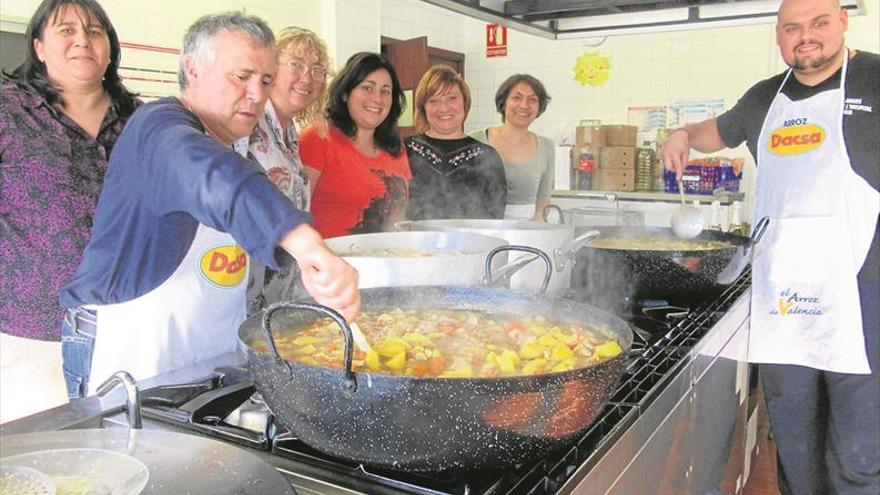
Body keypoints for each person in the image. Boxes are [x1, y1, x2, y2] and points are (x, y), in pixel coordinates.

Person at [59, 12, 359, 398]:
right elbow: (214, 177)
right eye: (241, 77)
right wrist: (305, 244)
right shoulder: (159, 127)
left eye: (265, 81)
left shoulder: (234, 143)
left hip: (198, 356)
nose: (257, 94)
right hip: (128, 351)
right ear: (193, 69)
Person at [661, 0, 879, 493]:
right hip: (783, 294)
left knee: (860, 453)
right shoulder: (763, 98)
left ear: (843, 22)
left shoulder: (876, 79)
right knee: (795, 442)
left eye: (819, 23)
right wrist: (679, 133)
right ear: (778, 36)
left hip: (865, 295)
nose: (806, 36)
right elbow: (709, 133)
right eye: (792, 28)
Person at [0, 0, 139, 422]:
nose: (83, 40)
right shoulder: (9, 111)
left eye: (95, 31)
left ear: (110, 48)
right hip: (31, 328)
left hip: (127, 324)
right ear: (39, 46)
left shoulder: (140, 120)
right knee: (37, 464)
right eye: (66, 30)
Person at [233, 27, 332, 313]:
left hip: (278, 282)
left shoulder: (290, 134)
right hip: (244, 278)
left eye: (317, 70)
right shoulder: (248, 121)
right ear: (272, 68)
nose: (307, 77)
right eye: (296, 65)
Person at [299, 52, 411, 238]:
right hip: (332, 263)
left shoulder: (395, 147)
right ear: (345, 93)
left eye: (385, 91)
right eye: (368, 88)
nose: (377, 99)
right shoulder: (318, 137)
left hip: (387, 261)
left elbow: (400, 219)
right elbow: (296, 213)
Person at [404, 65, 506, 220]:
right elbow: (392, 210)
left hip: (471, 243)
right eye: (433, 101)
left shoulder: (487, 156)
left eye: (452, 98)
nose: (443, 108)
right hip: (413, 243)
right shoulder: (404, 151)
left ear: (465, 102)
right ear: (423, 107)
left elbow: (495, 215)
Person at [469, 74, 554, 221]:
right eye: (517, 97)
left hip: (527, 231)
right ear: (503, 103)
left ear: (539, 107)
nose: (524, 105)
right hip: (482, 228)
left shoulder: (547, 146)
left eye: (532, 99)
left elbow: (543, 200)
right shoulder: (475, 140)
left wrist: (537, 229)